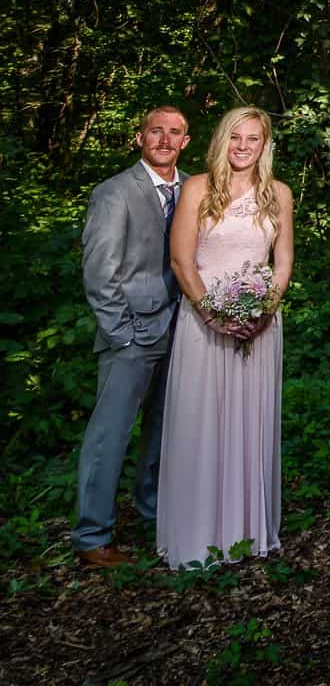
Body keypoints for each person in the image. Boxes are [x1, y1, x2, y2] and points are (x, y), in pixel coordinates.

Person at [156, 106, 294, 568]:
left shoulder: (279, 194)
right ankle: (199, 536)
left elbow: (283, 263)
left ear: (265, 144)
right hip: (204, 325)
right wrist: (213, 315)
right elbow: (181, 262)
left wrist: (263, 312)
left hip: (259, 327)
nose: (243, 147)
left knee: (249, 425)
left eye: (253, 139)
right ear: (221, 140)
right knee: (203, 423)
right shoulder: (197, 188)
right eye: (235, 138)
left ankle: (247, 531)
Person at [73, 106, 191, 569]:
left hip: (182, 331)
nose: (164, 139)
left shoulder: (194, 189)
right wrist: (121, 333)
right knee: (110, 435)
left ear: (185, 140)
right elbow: (99, 272)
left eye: (174, 133)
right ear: (140, 137)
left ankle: (153, 514)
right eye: (156, 131)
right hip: (131, 334)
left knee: (164, 434)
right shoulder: (115, 193)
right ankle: (91, 535)